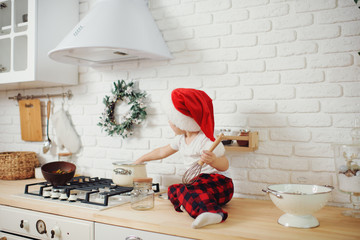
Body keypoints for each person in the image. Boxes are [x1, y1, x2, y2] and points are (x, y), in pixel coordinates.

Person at [134, 88, 234, 229]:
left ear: (184, 121)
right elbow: (162, 151)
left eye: (173, 121)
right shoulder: (181, 139)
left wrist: (214, 160)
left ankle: (214, 213)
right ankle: (198, 207)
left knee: (191, 189)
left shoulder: (206, 140)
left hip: (221, 184)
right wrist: (141, 159)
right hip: (199, 186)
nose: (170, 123)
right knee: (174, 190)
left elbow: (225, 165)